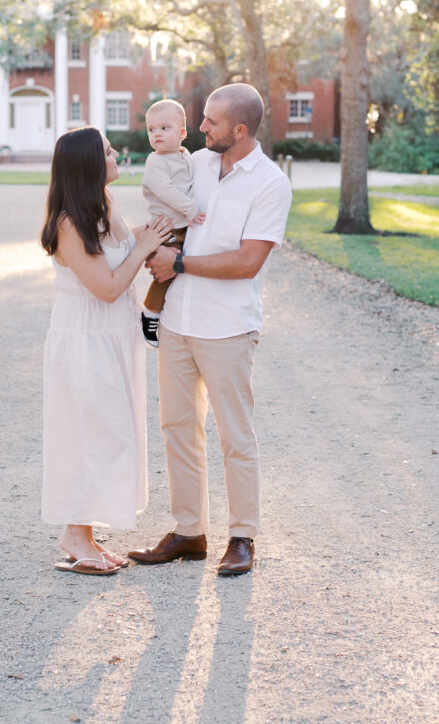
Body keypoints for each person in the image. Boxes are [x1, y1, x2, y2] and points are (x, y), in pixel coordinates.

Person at [128, 83, 292, 576]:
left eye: (211, 122)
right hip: (176, 321)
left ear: (239, 130)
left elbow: (247, 262)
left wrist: (177, 263)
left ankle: (242, 537)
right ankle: (188, 532)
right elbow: (161, 210)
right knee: (177, 428)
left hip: (226, 327)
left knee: (235, 435)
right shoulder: (193, 163)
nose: (200, 128)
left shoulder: (269, 183)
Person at [40, 127, 171, 576]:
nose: (117, 154)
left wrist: (155, 231)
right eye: (109, 151)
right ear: (89, 164)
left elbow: (119, 251)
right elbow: (108, 287)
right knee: (88, 436)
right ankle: (75, 534)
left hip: (111, 338)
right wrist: (147, 247)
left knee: (111, 433)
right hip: (85, 340)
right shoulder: (68, 223)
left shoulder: (102, 207)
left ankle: (86, 533)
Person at [140, 99, 205, 348]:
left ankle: (175, 312)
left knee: (185, 266)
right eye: (151, 129)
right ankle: (150, 313)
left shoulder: (185, 156)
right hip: (165, 227)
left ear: (182, 133)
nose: (156, 134)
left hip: (181, 227)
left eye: (164, 128)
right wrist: (190, 209)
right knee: (166, 271)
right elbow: (164, 189)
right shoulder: (155, 161)